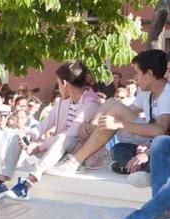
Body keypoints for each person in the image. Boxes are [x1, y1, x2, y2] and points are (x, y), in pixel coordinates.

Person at [0, 60, 102, 200]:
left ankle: (27, 185)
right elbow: (45, 124)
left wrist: (39, 147)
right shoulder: (63, 101)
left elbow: (71, 135)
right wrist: (29, 137)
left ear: (65, 84)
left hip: (77, 156)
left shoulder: (90, 104)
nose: (58, 87)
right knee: (17, 135)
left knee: (63, 139)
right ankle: (0, 182)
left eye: (59, 83)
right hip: (57, 150)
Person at [49, 49, 170, 178]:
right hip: (148, 143)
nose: (135, 78)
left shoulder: (167, 93)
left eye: (137, 73)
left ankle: (75, 161)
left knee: (115, 113)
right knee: (112, 106)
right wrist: (90, 124)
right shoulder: (146, 92)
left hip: (160, 145)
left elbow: (160, 130)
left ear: (149, 74)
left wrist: (118, 124)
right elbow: (126, 110)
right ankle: (79, 155)